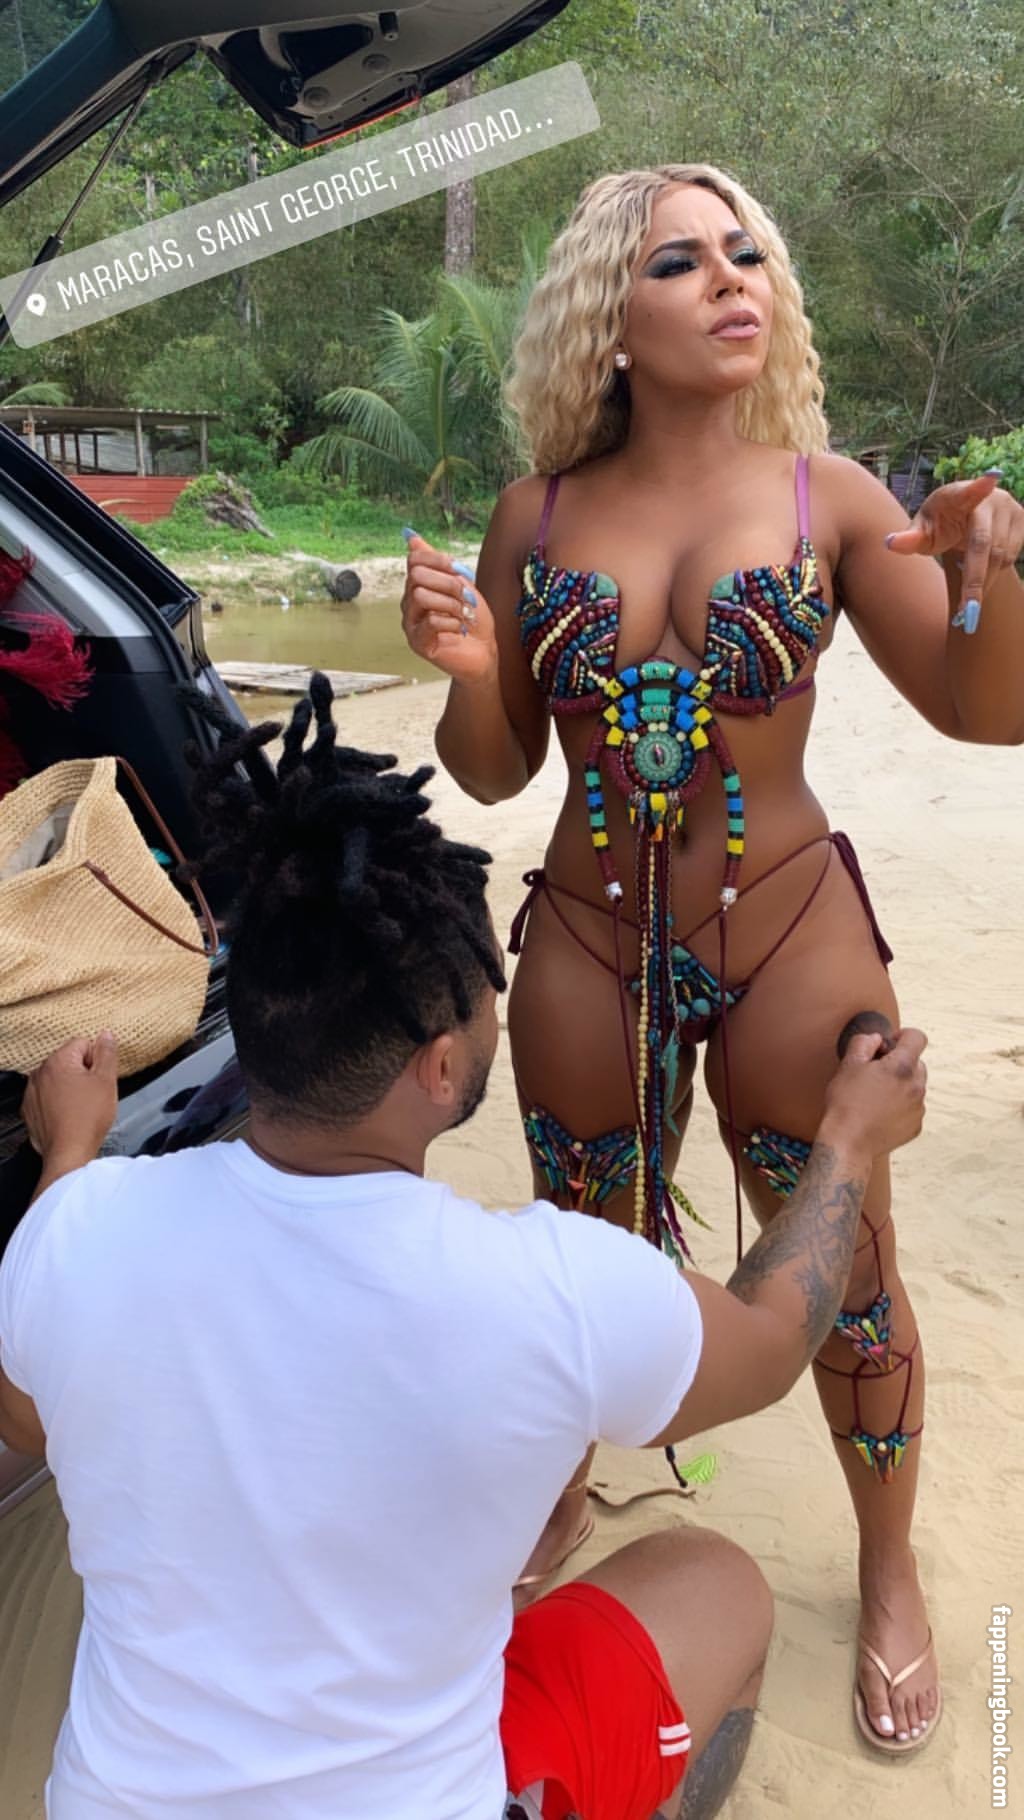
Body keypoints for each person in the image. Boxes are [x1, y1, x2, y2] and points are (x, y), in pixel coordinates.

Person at [0, 677, 927, 1820]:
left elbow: (30, 1418)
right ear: (440, 1066)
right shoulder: (546, 1290)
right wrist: (846, 1140)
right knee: (715, 1582)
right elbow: (777, 1338)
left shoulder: (79, 1230)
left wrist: (69, 1148)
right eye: (487, 986)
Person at [399, 160, 1024, 1752]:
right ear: (611, 317)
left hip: (792, 933)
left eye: (748, 251)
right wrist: (469, 665)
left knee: (852, 1276)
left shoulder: (832, 498)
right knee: (579, 1250)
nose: (734, 278)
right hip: (587, 939)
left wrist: (992, 579)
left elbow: (986, 710)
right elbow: (493, 770)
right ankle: (558, 1481)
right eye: (682, 262)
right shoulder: (536, 516)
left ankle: (889, 1571)